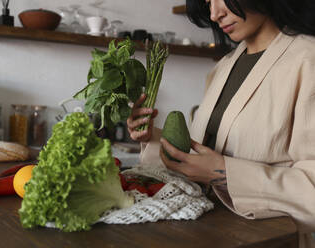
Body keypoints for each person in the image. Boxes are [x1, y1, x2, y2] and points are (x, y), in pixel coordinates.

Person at [126, 0, 315, 247]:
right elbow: (202, 156)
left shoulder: (307, 60)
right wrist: (151, 137)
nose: (214, 14)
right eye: (207, 2)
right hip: (209, 232)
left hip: (270, 240)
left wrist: (225, 174)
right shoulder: (223, 67)